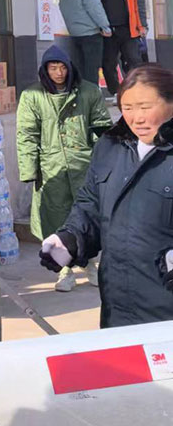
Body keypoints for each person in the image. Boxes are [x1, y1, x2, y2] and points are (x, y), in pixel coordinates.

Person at [41, 65, 173, 327]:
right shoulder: (110, 147)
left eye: (145, 107)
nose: (137, 118)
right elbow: (90, 205)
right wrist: (70, 238)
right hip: (118, 304)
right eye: (127, 108)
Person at [16, 45, 111, 292]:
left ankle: (90, 262)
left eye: (62, 67)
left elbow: (102, 126)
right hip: (51, 167)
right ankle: (65, 271)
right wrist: (29, 170)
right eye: (53, 68)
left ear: (70, 68)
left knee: (88, 215)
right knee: (56, 218)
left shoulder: (88, 91)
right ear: (44, 70)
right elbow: (27, 134)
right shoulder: (32, 95)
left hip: (84, 164)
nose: (58, 73)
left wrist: (105, 160)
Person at [53, 0, 111, 85]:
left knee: (79, 70)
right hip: (91, 33)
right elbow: (94, 7)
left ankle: (80, 94)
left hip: (74, 33)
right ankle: (91, 95)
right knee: (91, 71)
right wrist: (105, 26)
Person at [97, 0, 148, 93]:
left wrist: (143, 26)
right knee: (108, 64)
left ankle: (137, 91)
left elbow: (140, 6)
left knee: (134, 62)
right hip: (107, 31)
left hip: (129, 29)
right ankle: (115, 92)